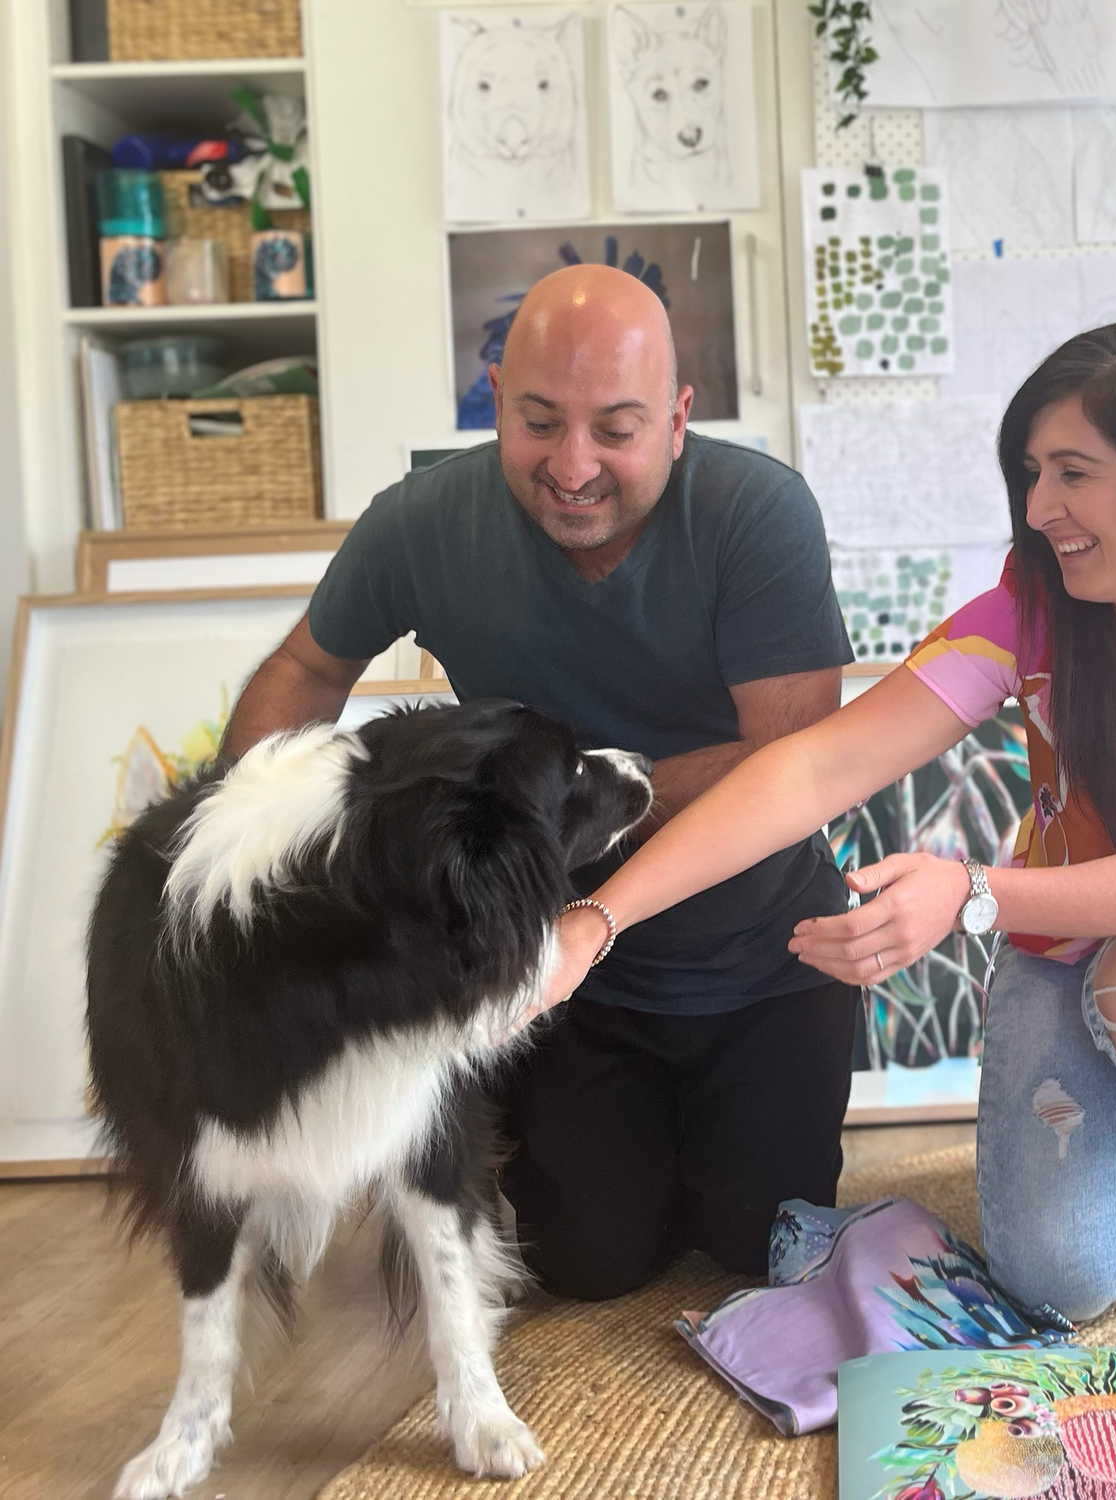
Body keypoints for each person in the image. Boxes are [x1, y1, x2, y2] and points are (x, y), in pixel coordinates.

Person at [544, 319, 1116, 1324]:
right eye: (1031, 473)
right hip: (1081, 934)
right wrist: (599, 918)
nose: (1039, 507)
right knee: (1065, 1286)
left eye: (1073, 472)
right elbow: (816, 765)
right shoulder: (1039, 602)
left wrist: (971, 893)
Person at [219, 263, 861, 1299]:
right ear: (494, 401)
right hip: (557, 985)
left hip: (763, 967)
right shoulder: (421, 522)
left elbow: (793, 756)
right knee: (588, 1265)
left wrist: (574, 805)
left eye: (616, 428)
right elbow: (303, 668)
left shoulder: (758, 513)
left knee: (762, 1257)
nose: (573, 466)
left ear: (679, 417)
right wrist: (239, 831)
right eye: (539, 422)